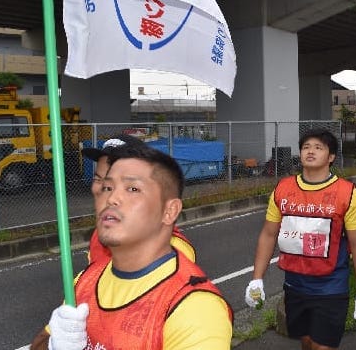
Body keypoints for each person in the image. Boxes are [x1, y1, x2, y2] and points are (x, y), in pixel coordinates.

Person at [31, 145, 232, 350]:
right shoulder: (84, 281)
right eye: (107, 188)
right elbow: (38, 344)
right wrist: (53, 345)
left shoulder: (195, 310)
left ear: (170, 211)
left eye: (133, 189)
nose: (111, 199)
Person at [245, 128, 356, 350]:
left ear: (331, 157)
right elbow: (268, 234)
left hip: (331, 287)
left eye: (318, 147)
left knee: (323, 346)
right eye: (306, 147)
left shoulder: (347, 193)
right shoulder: (283, 189)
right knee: (306, 341)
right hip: (294, 285)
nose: (310, 151)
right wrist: (257, 278)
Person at [81, 134, 195, 263]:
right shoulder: (102, 232)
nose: (104, 190)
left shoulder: (171, 252)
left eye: (130, 188)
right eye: (98, 179)